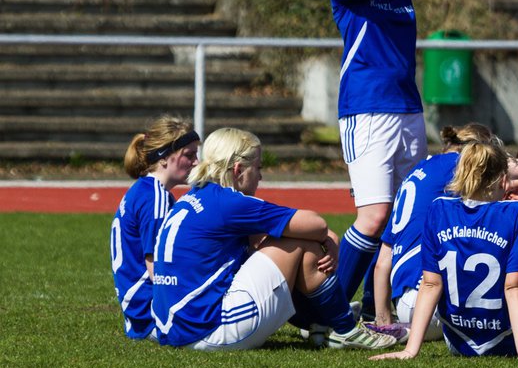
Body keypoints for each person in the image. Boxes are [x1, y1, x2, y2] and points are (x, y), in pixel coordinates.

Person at [150, 129, 398, 351]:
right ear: (238, 170)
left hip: (173, 327)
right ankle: (344, 329)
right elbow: (316, 225)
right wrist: (329, 238)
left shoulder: (195, 196)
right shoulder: (230, 202)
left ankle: (323, 322)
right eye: (257, 168)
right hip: (207, 329)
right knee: (301, 243)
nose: (260, 176)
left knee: (286, 238)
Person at [328, 0, 462, 317]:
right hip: (366, 110)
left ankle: (374, 305)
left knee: (405, 213)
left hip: (407, 110)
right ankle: (329, 313)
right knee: (373, 215)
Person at [370, 137, 518, 363]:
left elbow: (431, 285)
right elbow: (514, 286)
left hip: (458, 342)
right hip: (510, 337)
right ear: (503, 180)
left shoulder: (438, 210)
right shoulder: (514, 213)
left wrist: (411, 350)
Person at [372, 123, 518, 330]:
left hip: (405, 305)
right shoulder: (456, 163)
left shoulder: (419, 171)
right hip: (434, 304)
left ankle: (402, 328)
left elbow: (382, 263)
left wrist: (384, 322)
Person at [110, 116, 199, 339]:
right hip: (150, 313)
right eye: (189, 155)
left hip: (139, 311)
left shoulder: (147, 190)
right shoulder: (155, 199)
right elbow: (157, 269)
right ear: (164, 157)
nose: (196, 162)